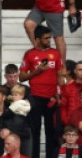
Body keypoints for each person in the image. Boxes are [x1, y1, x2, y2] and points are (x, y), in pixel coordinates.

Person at [20, 25, 63, 158]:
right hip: (36, 97)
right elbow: (21, 77)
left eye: (49, 38)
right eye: (46, 38)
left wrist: (61, 94)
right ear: (37, 39)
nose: (49, 40)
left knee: (51, 131)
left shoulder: (55, 53)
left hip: (52, 98)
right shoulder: (29, 54)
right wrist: (37, 71)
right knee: (35, 131)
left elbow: (60, 75)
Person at [1, 85, 33, 157]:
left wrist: (2, 114)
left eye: (16, 95)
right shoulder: (16, 101)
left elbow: (7, 113)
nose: (14, 96)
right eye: (13, 95)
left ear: (22, 96)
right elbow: (8, 99)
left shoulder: (18, 104)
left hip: (20, 122)